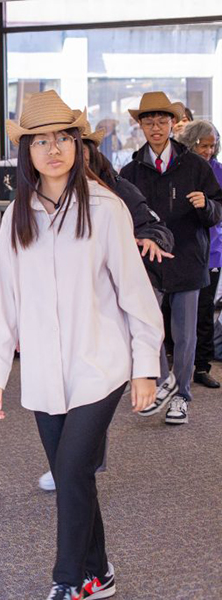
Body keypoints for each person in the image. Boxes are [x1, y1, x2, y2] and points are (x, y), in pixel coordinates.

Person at [0, 90, 164, 600]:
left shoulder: (105, 208)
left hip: (99, 364)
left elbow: (136, 292)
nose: (54, 149)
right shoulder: (16, 214)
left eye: (64, 138)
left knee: (71, 469)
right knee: (74, 476)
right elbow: (6, 301)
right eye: (41, 141)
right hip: (43, 370)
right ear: (27, 152)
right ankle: (99, 571)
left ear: (78, 145)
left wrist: (145, 366)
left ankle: (67, 581)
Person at [37, 115, 175, 493]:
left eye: (71, 144)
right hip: (70, 322)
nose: (61, 153)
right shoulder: (41, 200)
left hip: (115, 307)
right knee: (70, 398)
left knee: (96, 393)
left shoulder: (114, 192)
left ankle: (78, 462)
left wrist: (148, 240)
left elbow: (154, 226)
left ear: (89, 152)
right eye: (49, 143)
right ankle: (77, 464)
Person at [120, 92, 222, 425]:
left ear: (172, 123)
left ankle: (182, 396)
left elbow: (217, 211)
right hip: (147, 263)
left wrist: (205, 204)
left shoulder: (195, 165)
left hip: (188, 258)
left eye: (161, 121)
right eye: (148, 121)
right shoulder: (130, 170)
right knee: (150, 330)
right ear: (141, 126)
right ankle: (163, 384)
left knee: (185, 335)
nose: (155, 127)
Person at [177, 120, 222, 389]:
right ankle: (176, 364)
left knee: (204, 312)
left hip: (213, 251)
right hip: (184, 249)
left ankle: (202, 367)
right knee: (178, 313)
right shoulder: (181, 169)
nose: (207, 150)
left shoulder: (218, 171)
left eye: (212, 146)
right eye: (202, 145)